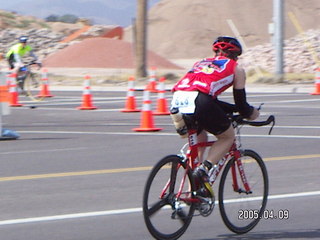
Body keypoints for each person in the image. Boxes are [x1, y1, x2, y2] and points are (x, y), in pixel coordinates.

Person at [171, 36, 259, 194]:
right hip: (200, 101)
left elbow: (207, 98)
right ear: (234, 55)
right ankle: (205, 168)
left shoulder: (201, 63)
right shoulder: (235, 68)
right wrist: (252, 114)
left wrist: (230, 109)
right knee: (227, 137)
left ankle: (193, 190)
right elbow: (242, 105)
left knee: (200, 139)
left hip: (177, 100)